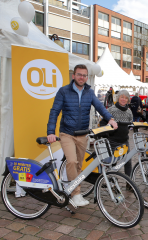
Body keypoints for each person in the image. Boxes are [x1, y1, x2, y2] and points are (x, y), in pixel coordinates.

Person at [47, 64, 118, 206]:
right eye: (79, 74)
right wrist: (50, 132)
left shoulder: (89, 92)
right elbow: (54, 111)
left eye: (84, 75)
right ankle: (76, 194)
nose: (82, 77)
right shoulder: (64, 91)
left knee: (79, 165)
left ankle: (72, 190)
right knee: (72, 161)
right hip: (67, 133)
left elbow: (99, 106)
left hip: (83, 134)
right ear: (73, 76)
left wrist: (110, 118)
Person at [100, 90, 133, 176]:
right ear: (118, 98)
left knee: (128, 161)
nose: (123, 99)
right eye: (122, 97)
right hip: (112, 141)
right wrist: (106, 134)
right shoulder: (111, 110)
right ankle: (112, 183)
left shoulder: (129, 112)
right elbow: (102, 123)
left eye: (126, 98)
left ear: (128, 100)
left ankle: (129, 183)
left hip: (124, 141)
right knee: (113, 162)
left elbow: (130, 124)